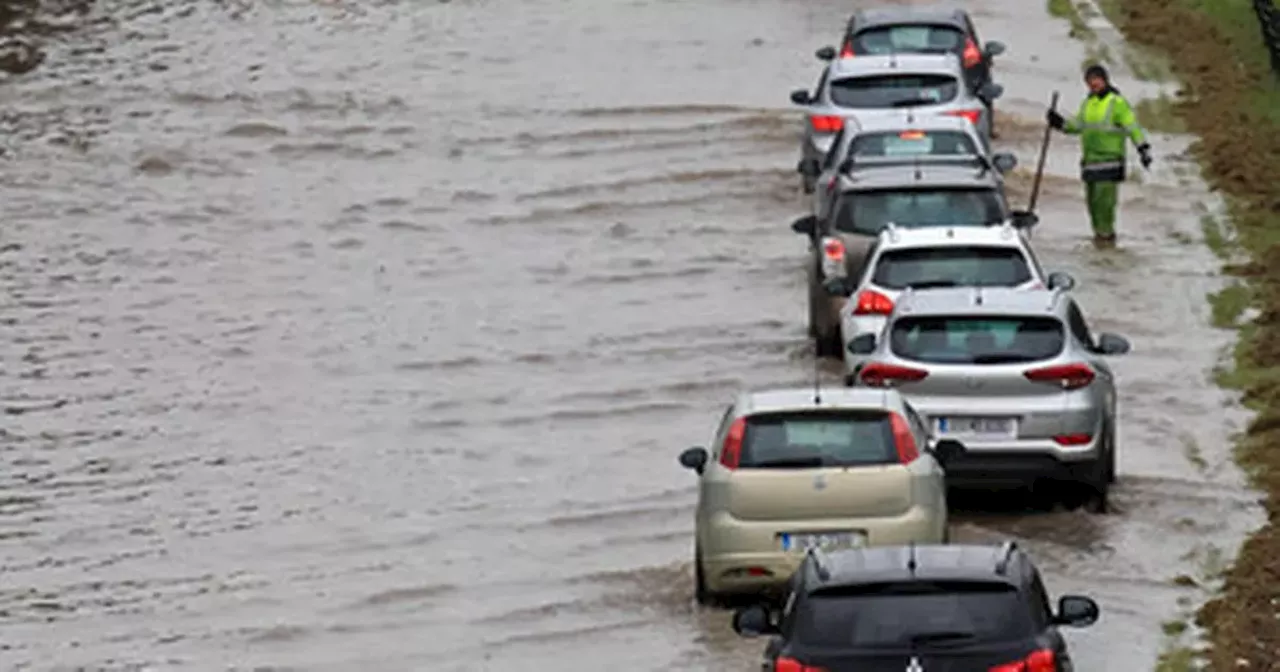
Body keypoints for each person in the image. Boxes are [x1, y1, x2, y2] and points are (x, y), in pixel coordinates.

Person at [1046, 64, 1153, 247]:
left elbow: (1131, 126)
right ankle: (1099, 241)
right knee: (1093, 206)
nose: (1092, 84)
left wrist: (1142, 148)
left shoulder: (1116, 102)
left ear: (1104, 80)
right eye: (1089, 81)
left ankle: (1106, 240)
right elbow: (1078, 126)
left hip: (1110, 162)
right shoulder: (1088, 103)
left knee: (1105, 207)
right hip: (1090, 163)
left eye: (1096, 80)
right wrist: (1060, 123)